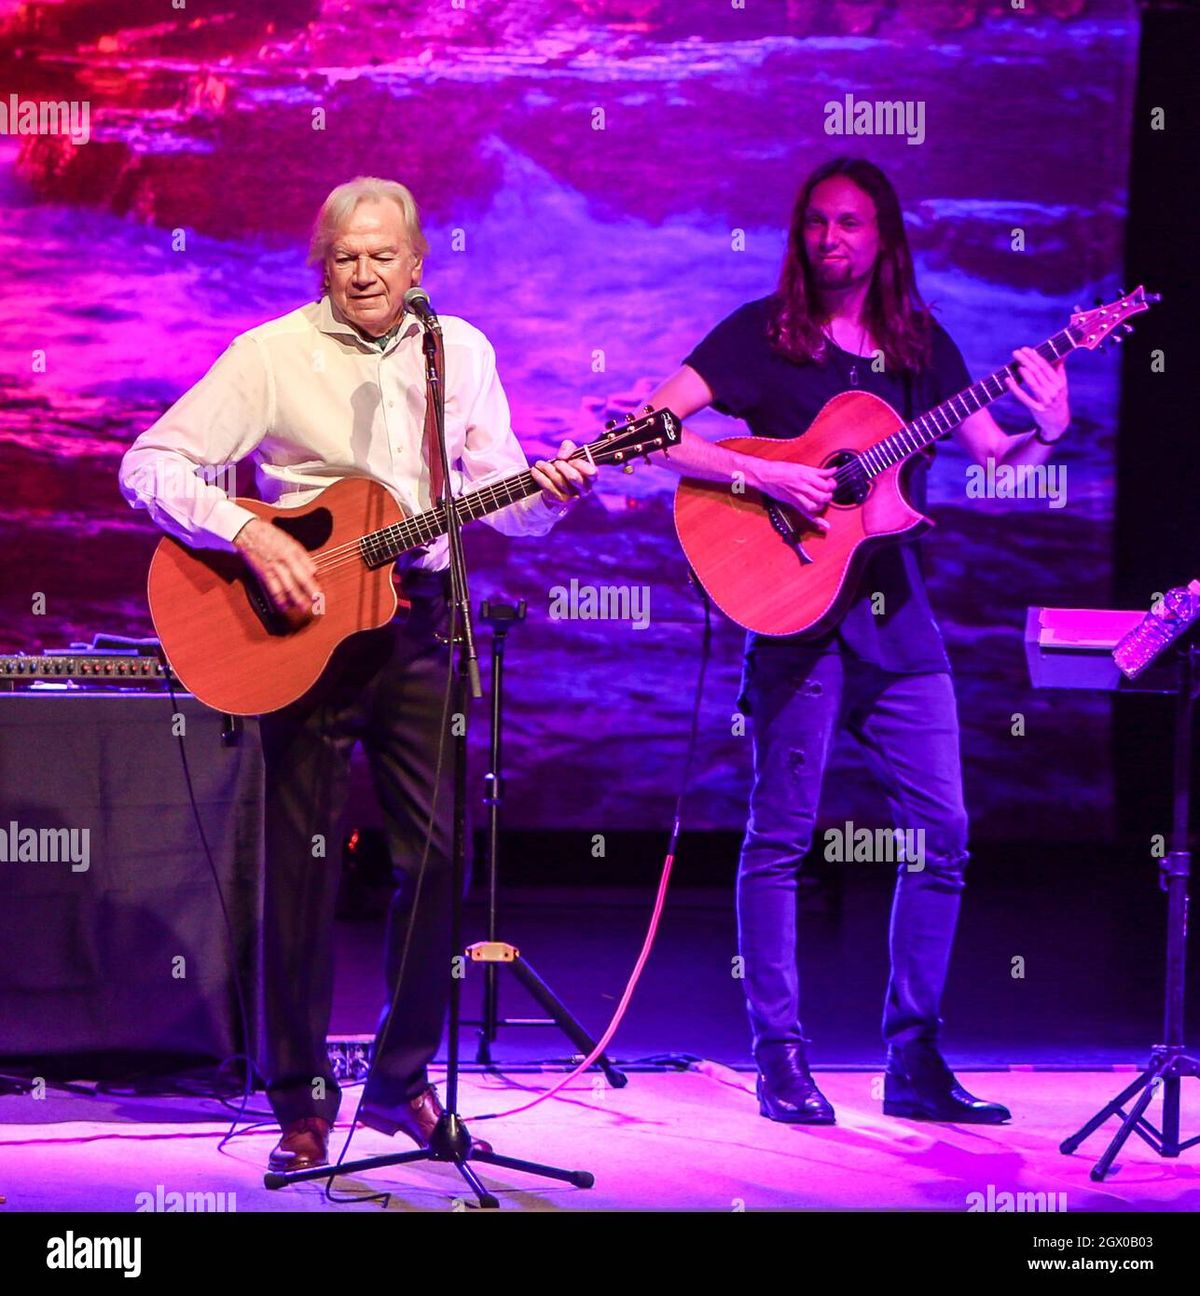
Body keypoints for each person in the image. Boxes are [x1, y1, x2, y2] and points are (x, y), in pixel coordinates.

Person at [119, 176, 595, 1170]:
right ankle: (297, 1096)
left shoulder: (458, 352)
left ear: (418, 264)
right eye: (347, 257)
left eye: (385, 256)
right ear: (322, 265)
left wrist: (547, 496)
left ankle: (399, 1079)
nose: (367, 273)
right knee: (301, 869)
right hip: (298, 635)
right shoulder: (270, 355)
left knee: (439, 862)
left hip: (420, 625)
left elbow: (492, 493)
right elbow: (151, 465)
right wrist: (252, 531)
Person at [650, 157, 1069, 1124]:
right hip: (795, 613)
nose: (830, 239)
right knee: (782, 836)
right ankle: (780, 1057)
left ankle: (914, 1061)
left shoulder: (921, 343)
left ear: (883, 237)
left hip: (896, 616)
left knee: (946, 832)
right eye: (815, 224)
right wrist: (766, 481)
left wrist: (1047, 427)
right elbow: (649, 430)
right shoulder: (763, 335)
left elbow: (998, 459)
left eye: (849, 224)